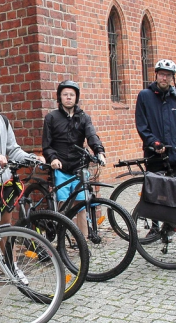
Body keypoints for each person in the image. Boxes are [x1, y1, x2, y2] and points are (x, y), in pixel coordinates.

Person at [0, 75, 46, 289]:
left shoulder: (3, 120)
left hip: (3, 182)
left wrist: (32, 158)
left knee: (6, 226)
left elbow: (13, 149)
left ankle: (11, 266)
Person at [42, 80, 106, 236]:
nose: (68, 97)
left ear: (76, 97)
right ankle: (63, 241)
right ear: (60, 97)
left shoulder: (83, 117)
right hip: (61, 167)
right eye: (65, 95)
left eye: (72, 95)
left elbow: (91, 135)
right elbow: (46, 145)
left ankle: (82, 242)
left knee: (81, 205)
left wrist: (99, 152)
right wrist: (52, 159)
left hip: (78, 167)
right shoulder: (51, 118)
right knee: (63, 205)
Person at [135, 59, 176, 176]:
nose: (164, 78)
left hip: (175, 155)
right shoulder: (145, 96)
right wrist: (153, 142)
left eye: (168, 75)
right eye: (161, 74)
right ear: (156, 75)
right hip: (155, 155)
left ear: (172, 77)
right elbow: (142, 126)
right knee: (156, 192)